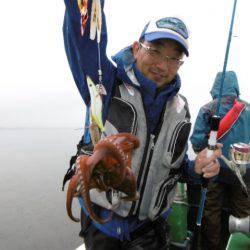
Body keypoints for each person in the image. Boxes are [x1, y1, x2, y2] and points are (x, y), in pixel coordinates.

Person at [63, 1, 222, 249]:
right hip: (103, 228)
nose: (163, 65)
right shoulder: (105, 82)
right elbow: (83, 37)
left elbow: (173, 170)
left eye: (174, 58)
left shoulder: (181, 109)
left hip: (151, 232)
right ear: (137, 48)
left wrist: (195, 170)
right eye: (155, 50)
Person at [190, 71, 250, 250]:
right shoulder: (247, 109)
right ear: (236, 86)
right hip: (243, 171)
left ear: (216, 86)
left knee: (211, 215)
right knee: (243, 216)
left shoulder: (207, 108)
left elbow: (198, 142)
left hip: (215, 170)